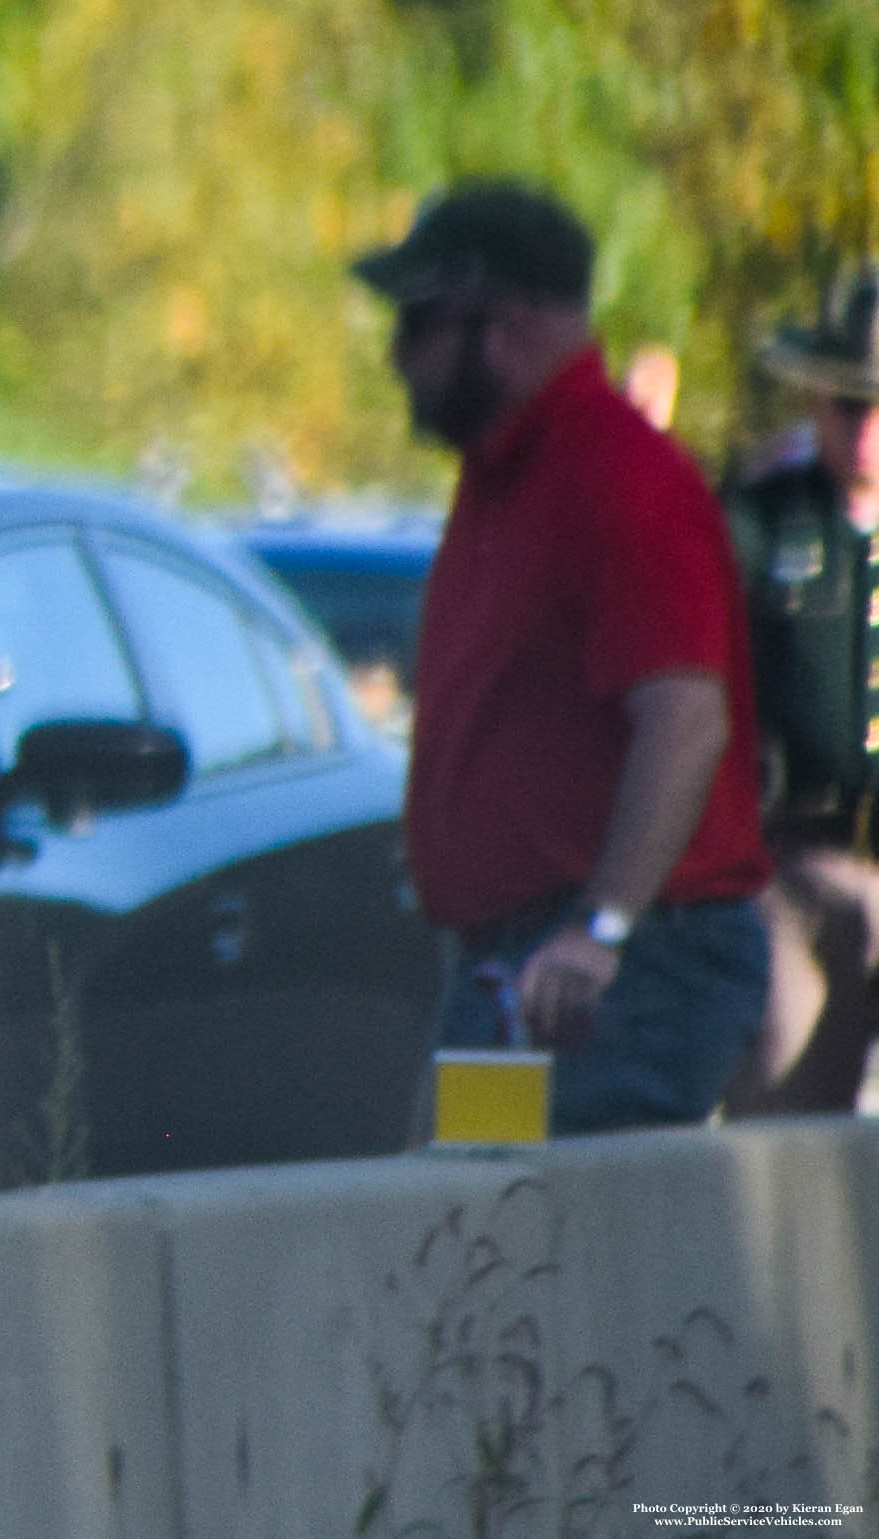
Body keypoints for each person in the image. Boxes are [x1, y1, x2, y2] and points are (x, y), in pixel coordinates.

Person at [353, 180, 773, 1133]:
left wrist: (603, 927)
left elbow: (685, 719)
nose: (396, 357)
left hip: (611, 972)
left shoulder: (617, 478)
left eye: (418, 324)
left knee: (523, 1253)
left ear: (498, 326)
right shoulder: (510, 476)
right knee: (464, 1243)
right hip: (526, 967)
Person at [722, 264, 879, 1115]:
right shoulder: (768, 514)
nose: (863, 429)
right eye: (847, 402)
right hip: (797, 863)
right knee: (786, 1125)